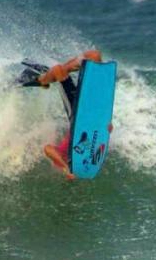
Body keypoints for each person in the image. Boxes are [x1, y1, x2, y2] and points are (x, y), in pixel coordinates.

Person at [33, 50, 104, 180]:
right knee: (95, 56)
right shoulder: (86, 155)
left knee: (58, 70)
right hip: (91, 111)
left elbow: (48, 149)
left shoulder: (63, 157)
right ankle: (59, 72)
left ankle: (43, 80)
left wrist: (66, 169)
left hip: (77, 114)